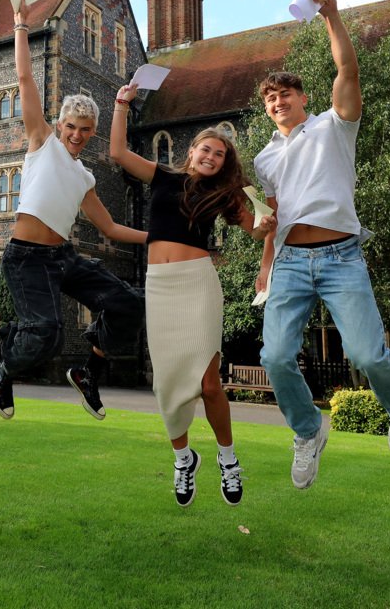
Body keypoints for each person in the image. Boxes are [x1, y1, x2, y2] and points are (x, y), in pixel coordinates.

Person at [254, 0, 390, 490]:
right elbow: (274, 216)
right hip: (289, 263)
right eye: (270, 98)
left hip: (342, 256)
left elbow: (347, 72)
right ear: (266, 109)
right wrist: (265, 264)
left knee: (368, 355)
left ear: (304, 98)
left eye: (286, 94)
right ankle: (308, 433)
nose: (278, 101)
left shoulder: (332, 127)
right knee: (275, 357)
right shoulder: (263, 160)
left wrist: (332, 17)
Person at [111, 84, 276, 507]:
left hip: (198, 283)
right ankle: (184, 459)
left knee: (208, 383)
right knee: (166, 386)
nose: (211, 157)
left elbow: (258, 230)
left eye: (219, 154)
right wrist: (121, 104)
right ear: (191, 151)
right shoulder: (163, 175)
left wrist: (265, 211)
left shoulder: (223, 195)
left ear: (224, 163)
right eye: (206, 149)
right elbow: (118, 154)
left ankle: (228, 458)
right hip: (160, 286)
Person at [0, 0, 146, 422]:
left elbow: (110, 226)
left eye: (85, 130)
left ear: (93, 133)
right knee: (47, 332)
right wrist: (21, 26)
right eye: (71, 127)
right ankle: (2, 367)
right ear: (60, 126)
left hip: (64, 259)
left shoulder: (85, 178)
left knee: (128, 303)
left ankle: (88, 372)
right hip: (26, 259)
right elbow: (24, 79)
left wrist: (157, 236)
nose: (77, 135)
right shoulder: (42, 144)